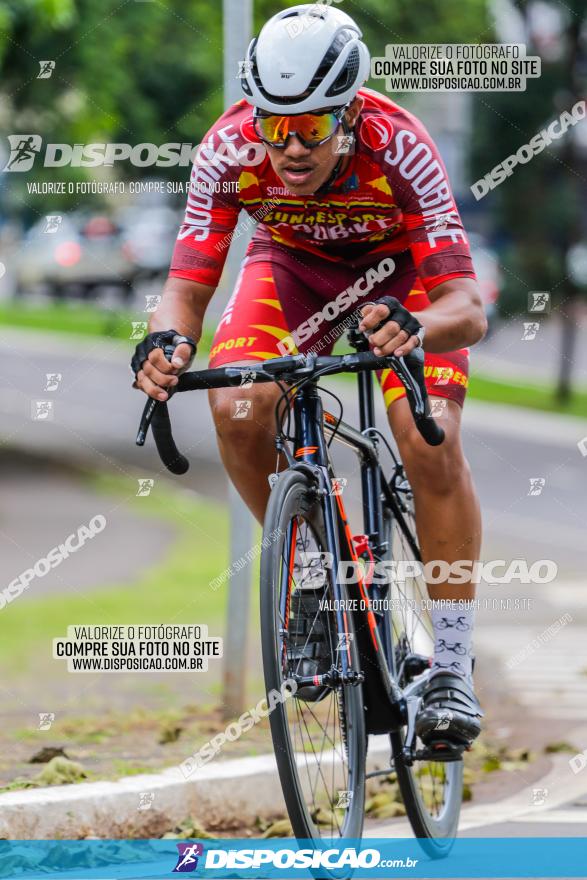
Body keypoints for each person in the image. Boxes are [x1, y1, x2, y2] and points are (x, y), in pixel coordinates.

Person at [131, 4, 486, 750]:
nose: (289, 147)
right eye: (273, 124)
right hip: (292, 270)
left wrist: (417, 327)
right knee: (237, 406)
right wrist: (166, 340)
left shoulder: (402, 147)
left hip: (402, 280)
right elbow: (188, 285)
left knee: (427, 442)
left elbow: (466, 306)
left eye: (313, 128)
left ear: (350, 113)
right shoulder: (228, 148)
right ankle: (319, 576)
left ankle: (451, 664)